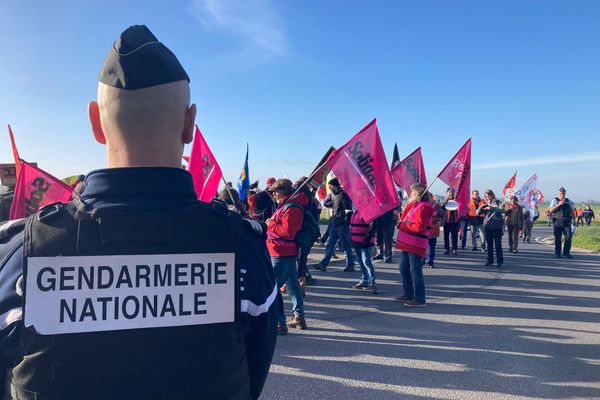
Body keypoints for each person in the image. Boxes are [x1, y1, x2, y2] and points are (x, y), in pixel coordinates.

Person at [0, 25, 278, 400]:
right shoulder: (243, 251)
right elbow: (252, 375)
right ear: (189, 123)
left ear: (96, 122)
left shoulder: (21, 257)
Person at [266, 178, 308, 333]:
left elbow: (288, 233)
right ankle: (299, 317)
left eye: (275, 191)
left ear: (283, 192)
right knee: (293, 287)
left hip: (281, 252)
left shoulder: (291, 208)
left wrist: (271, 223)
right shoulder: (286, 206)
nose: (274, 194)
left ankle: (279, 322)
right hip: (284, 252)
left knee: (272, 289)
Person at [394, 182, 433, 307]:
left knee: (415, 270)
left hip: (415, 243)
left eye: (412, 191)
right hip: (408, 242)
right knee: (404, 268)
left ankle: (420, 299)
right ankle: (408, 293)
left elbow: (418, 227)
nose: (410, 193)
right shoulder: (415, 205)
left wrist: (402, 225)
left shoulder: (424, 207)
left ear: (418, 192)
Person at [312, 178, 355, 272]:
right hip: (335, 223)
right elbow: (327, 204)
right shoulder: (333, 195)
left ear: (335, 186)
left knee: (346, 245)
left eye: (331, 186)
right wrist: (332, 203)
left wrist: (343, 206)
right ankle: (323, 264)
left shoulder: (343, 194)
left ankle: (350, 264)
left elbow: (348, 207)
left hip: (342, 224)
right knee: (330, 244)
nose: (330, 188)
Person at [350, 208, 378, 294]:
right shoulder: (355, 212)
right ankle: (364, 281)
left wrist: (367, 239)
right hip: (356, 240)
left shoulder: (368, 211)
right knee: (361, 262)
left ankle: (372, 282)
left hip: (365, 241)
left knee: (366, 261)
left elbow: (372, 227)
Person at [478, 189, 505, 267]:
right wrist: (480, 208)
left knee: (498, 245)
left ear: (492, 195)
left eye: (489, 195)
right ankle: (490, 260)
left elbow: (503, 210)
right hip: (488, 227)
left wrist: (492, 208)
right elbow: (478, 213)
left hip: (497, 227)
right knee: (489, 245)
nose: (488, 197)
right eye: (486, 196)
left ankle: (500, 262)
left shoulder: (498, 202)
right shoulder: (485, 204)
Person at [547, 187, 576, 258]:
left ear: (565, 194)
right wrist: (559, 204)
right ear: (558, 194)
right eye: (560, 194)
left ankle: (566, 252)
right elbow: (551, 210)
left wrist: (575, 220)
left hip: (567, 221)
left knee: (569, 237)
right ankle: (558, 252)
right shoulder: (554, 201)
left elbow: (572, 211)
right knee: (558, 237)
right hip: (557, 221)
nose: (561, 195)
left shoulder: (568, 201)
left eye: (563, 194)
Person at [427, 195, 445, 268]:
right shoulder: (422, 205)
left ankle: (431, 262)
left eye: (429, 197)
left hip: (433, 229)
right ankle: (421, 261)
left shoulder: (437, 206)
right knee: (423, 247)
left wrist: (440, 222)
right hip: (424, 229)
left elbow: (443, 216)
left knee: (432, 247)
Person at [442, 188, 459, 255]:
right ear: (447, 193)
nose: (451, 193)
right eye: (450, 192)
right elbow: (441, 208)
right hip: (447, 220)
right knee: (446, 235)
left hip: (455, 220)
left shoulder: (457, 200)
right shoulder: (444, 200)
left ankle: (454, 249)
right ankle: (447, 249)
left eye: (452, 192)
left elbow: (460, 209)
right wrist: (446, 200)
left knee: (454, 235)